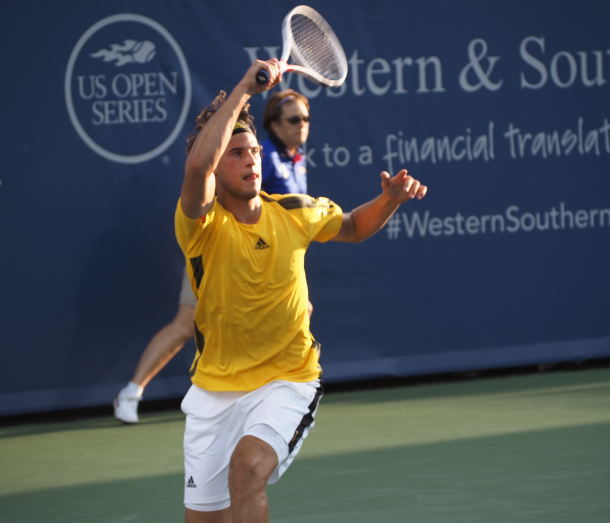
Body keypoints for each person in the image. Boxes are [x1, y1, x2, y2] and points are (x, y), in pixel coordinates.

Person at [176, 58, 426, 523]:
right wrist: (244, 90)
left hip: (286, 378)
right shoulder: (201, 226)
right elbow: (196, 169)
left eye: (252, 151)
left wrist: (389, 199)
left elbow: (351, 226)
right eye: (235, 153)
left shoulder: (294, 211)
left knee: (247, 468)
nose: (250, 159)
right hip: (214, 389)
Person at [112, 89, 314, 424]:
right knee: (183, 326)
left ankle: (268, 397)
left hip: (262, 264)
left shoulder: (296, 159)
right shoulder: (258, 158)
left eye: (306, 118)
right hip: (221, 255)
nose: (302, 125)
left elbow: (286, 232)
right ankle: (132, 391)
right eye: (294, 119)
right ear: (275, 124)